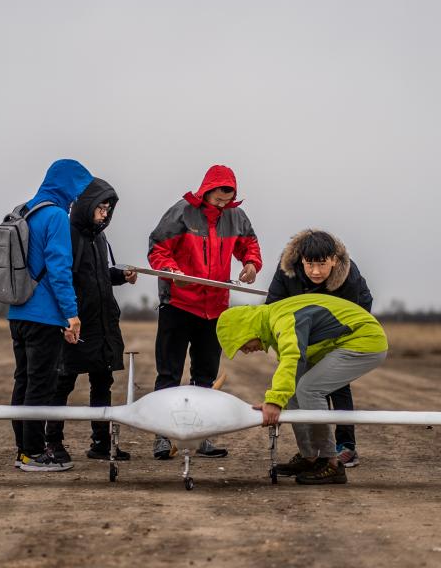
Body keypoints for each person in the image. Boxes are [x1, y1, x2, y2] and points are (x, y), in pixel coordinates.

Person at [147, 164, 263, 459]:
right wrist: (170, 270)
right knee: (169, 372)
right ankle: (163, 435)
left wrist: (250, 264)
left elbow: (250, 245)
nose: (223, 205)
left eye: (228, 200)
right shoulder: (181, 212)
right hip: (178, 304)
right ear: (207, 191)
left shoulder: (236, 216)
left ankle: (202, 437)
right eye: (218, 199)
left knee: (206, 376)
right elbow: (157, 247)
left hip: (215, 309)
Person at [216, 294, 388, 485]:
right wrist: (278, 404)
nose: (245, 351)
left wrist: (273, 402)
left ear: (246, 330)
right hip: (340, 342)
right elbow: (288, 374)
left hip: (364, 340)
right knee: (295, 388)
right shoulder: (271, 323)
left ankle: (330, 463)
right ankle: (310, 458)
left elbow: (292, 358)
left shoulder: (281, 320)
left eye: (241, 346)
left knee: (309, 389)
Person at [44, 178, 137, 463]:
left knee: (102, 382)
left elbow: (97, 276)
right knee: (62, 383)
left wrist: (120, 275)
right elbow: (62, 278)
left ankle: (101, 443)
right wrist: (67, 318)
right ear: (86, 206)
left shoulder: (99, 236)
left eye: (109, 209)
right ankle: (53, 442)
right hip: (75, 323)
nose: (105, 213)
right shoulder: (68, 234)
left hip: (103, 325)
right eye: (101, 207)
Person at [9, 159, 93, 472]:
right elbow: (59, 270)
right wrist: (71, 314)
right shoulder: (55, 216)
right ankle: (33, 453)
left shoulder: (25, 211)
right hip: (43, 316)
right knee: (40, 386)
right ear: (68, 185)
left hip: (17, 312)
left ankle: (22, 450)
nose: (77, 198)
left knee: (23, 381)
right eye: (78, 189)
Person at [265, 229, 373, 468]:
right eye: (310, 264)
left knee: (335, 382)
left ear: (334, 260)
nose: (315, 271)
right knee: (298, 382)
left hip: (344, 323)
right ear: (300, 259)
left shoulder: (349, 277)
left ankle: (346, 447)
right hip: (306, 324)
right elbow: (273, 308)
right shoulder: (286, 269)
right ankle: (310, 453)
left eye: (322, 265)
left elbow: (351, 318)